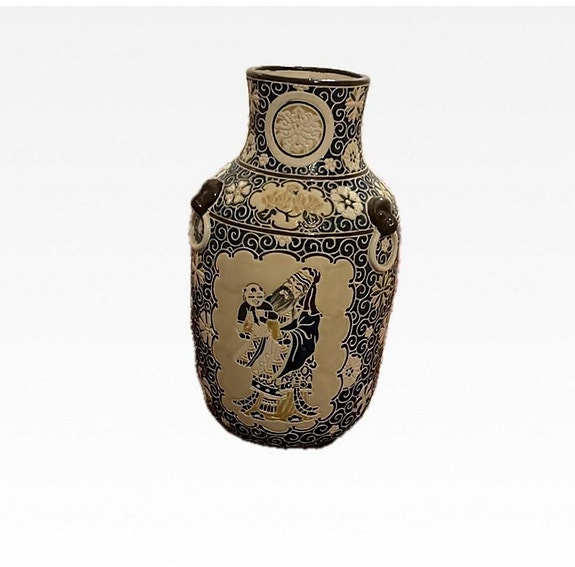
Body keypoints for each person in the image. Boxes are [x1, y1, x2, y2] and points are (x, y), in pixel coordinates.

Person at [233, 268, 321, 422]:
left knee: (283, 367)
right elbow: (252, 319)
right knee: (266, 364)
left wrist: (280, 336)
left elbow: (307, 334)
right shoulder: (269, 302)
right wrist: (251, 328)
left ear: (303, 293)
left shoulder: (305, 312)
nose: (289, 289)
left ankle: (290, 411)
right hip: (268, 346)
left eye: (297, 287)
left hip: (292, 351)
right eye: (290, 282)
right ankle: (257, 405)